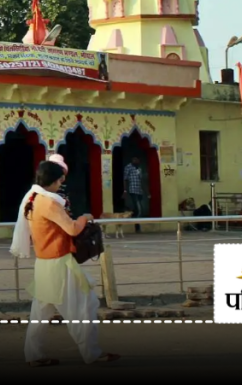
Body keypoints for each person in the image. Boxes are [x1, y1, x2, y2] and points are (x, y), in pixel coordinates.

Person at [14, 161, 119, 367]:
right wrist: (84, 217)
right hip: (59, 263)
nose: (61, 183)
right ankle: (92, 353)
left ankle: (33, 355)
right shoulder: (49, 202)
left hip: (44, 263)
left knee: (41, 313)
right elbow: (72, 229)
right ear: (53, 181)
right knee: (83, 307)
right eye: (60, 180)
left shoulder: (33, 199)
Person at [123, 156, 145, 232]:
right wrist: (125, 190)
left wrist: (143, 190)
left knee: (139, 209)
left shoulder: (139, 168)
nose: (135, 161)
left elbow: (141, 180)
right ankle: (137, 227)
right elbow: (125, 179)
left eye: (137, 159)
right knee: (138, 209)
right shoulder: (128, 167)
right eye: (134, 159)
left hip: (139, 191)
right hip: (132, 190)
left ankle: (131, 214)